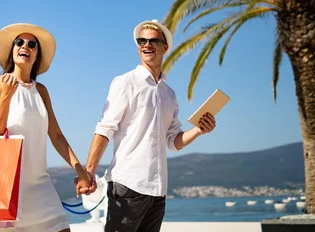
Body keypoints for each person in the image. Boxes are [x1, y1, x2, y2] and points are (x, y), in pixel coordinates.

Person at [78, 19, 217, 232]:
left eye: (153, 41)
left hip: (158, 190)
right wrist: (89, 172)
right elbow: (105, 129)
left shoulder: (169, 94)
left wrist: (198, 130)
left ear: (165, 47)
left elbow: (173, 141)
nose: (146, 45)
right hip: (127, 185)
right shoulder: (125, 82)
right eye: (141, 40)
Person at [0, 23, 93, 232]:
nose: (24, 46)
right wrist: (6, 97)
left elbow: (56, 135)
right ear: (13, 49)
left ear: (37, 55)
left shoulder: (42, 91)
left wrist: (79, 169)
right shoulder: (1, 83)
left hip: (39, 185)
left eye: (31, 44)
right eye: (19, 42)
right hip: (8, 187)